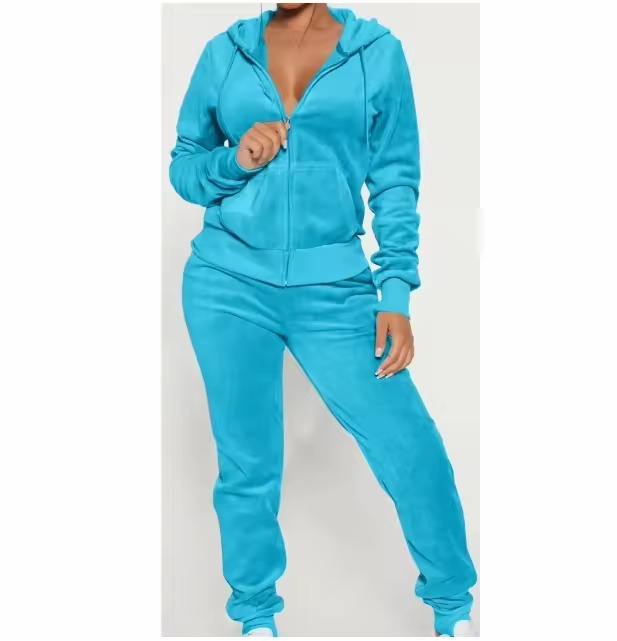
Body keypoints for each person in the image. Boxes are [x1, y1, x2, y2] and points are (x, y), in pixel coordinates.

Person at [169, 3, 477, 637]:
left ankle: (453, 606)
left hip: (335, 289)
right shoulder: (226, 52)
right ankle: (255, 615)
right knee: (247, 462)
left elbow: (396, 180)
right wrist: (235, 161)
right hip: (227, 284)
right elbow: (185, 167)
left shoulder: (376, 54)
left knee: (410, 446)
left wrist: (395, 292)